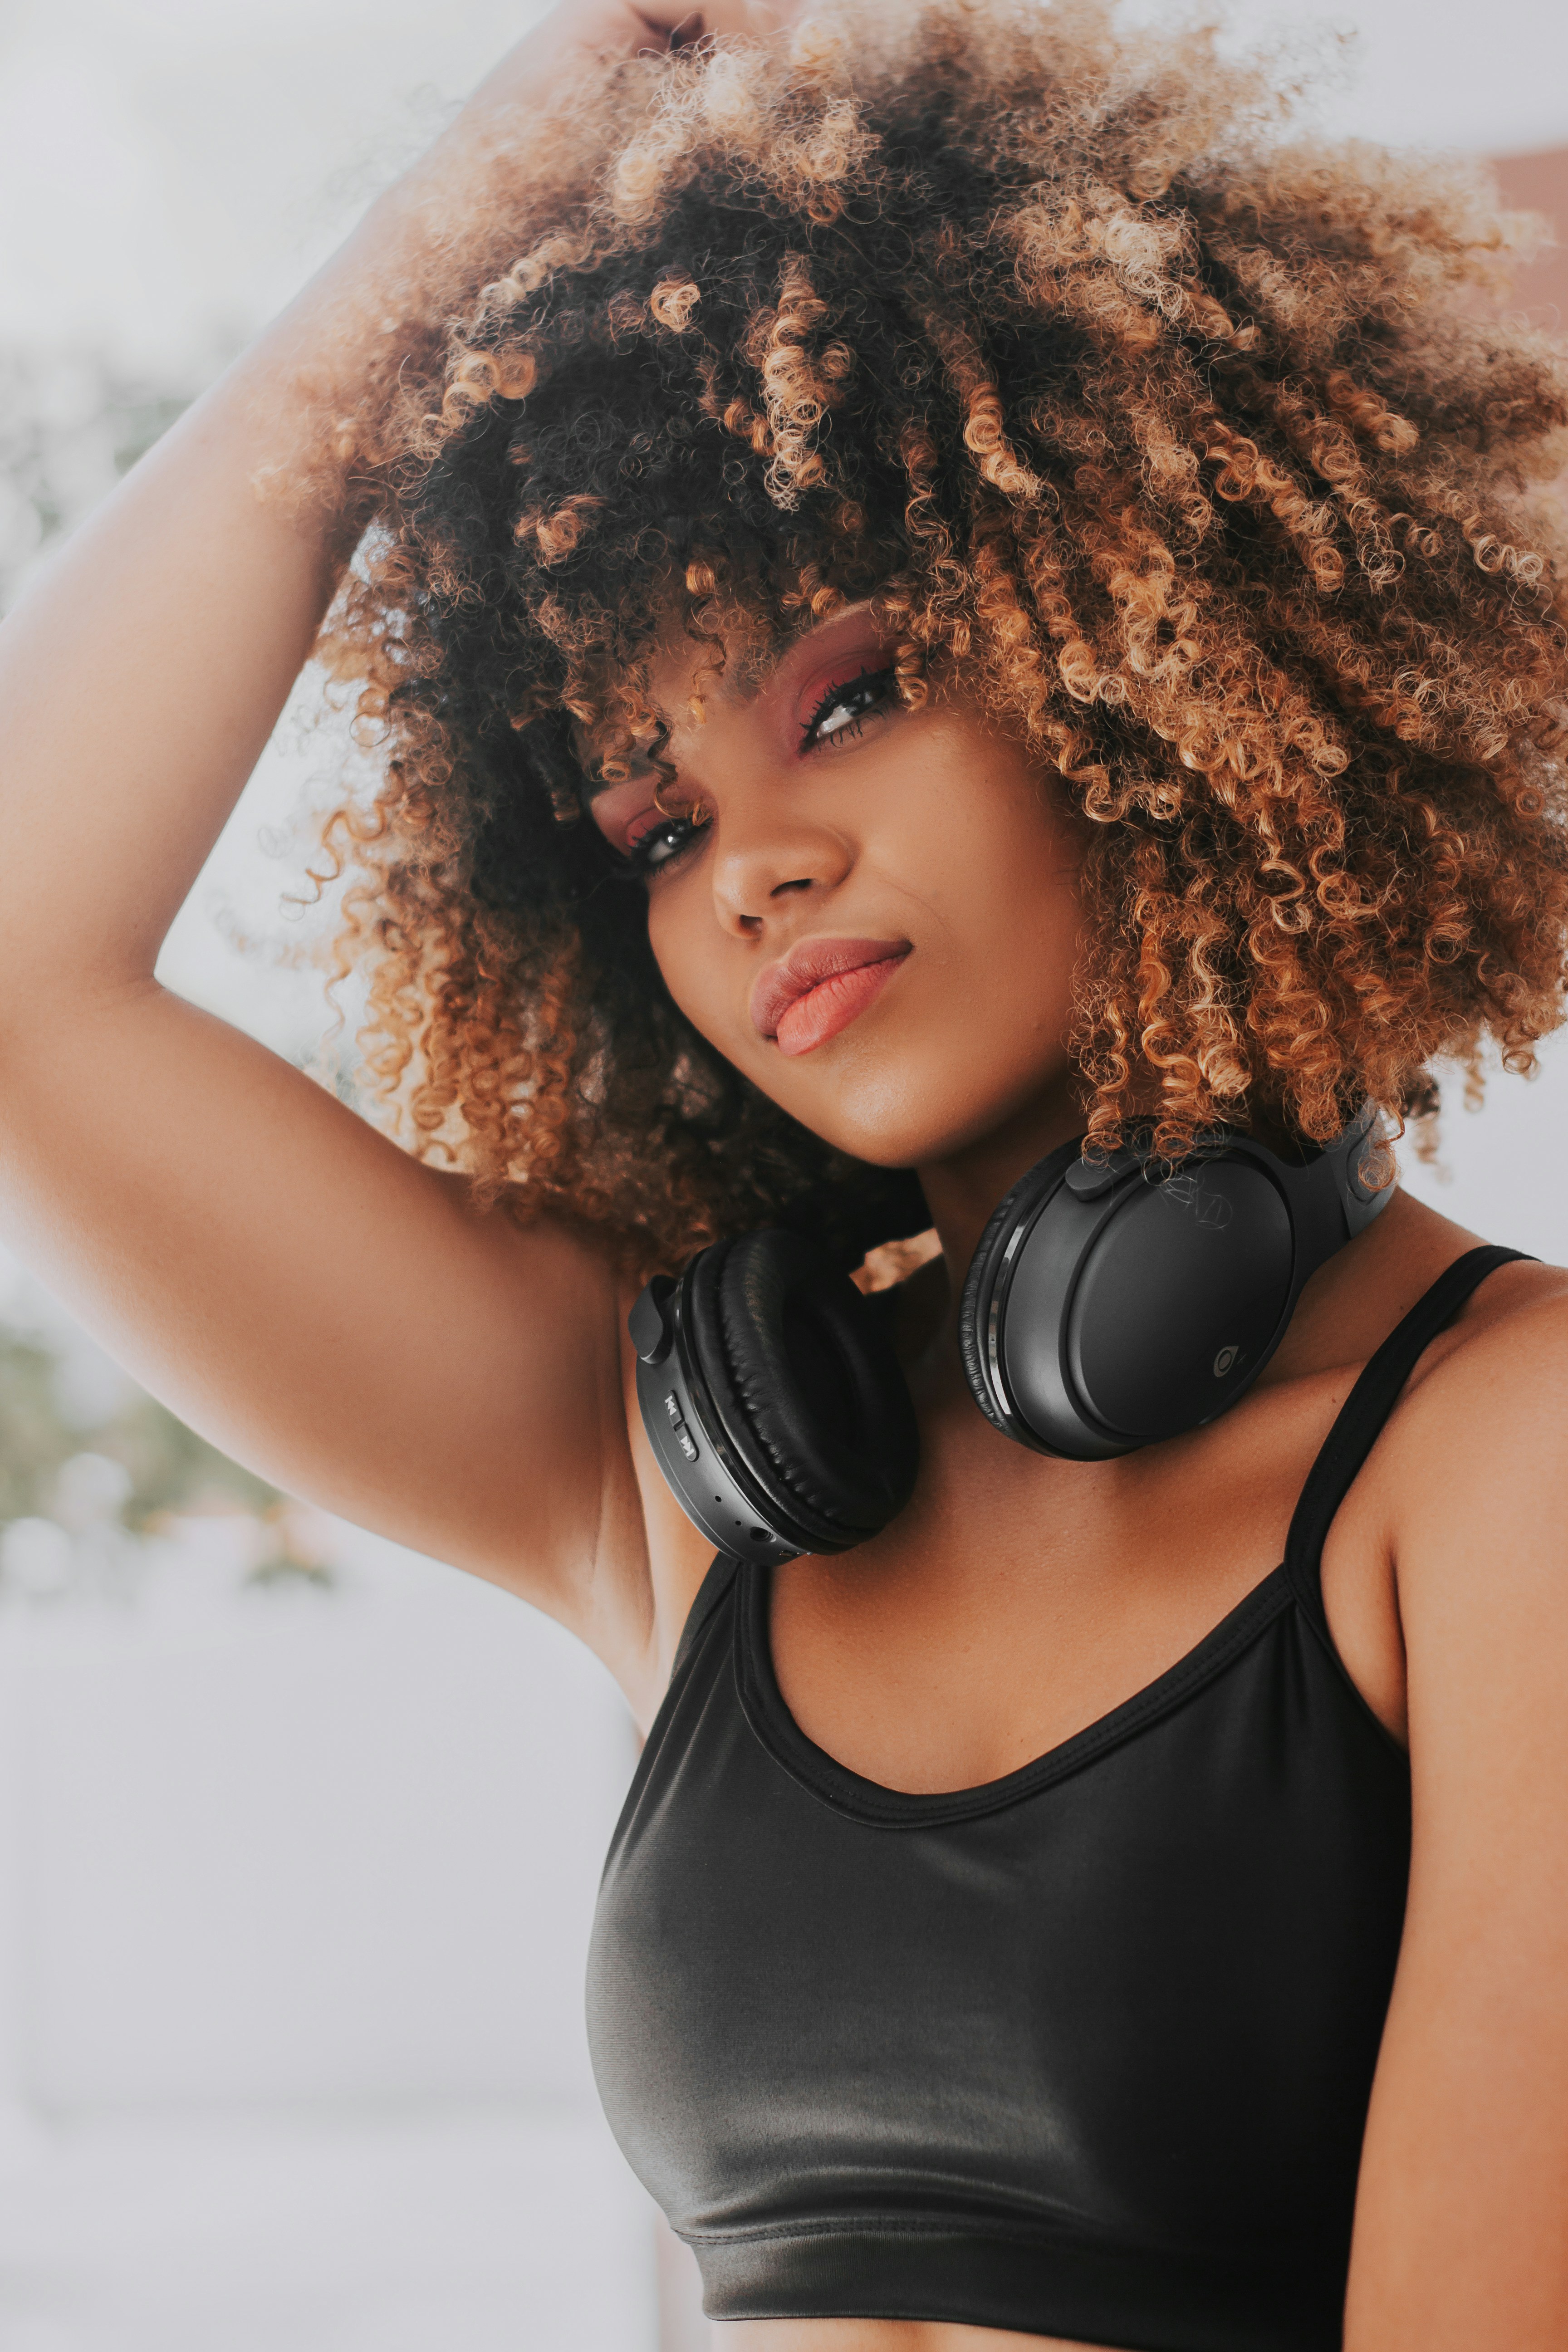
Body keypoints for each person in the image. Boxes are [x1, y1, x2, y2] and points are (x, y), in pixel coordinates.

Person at [1, 1, 1566, 2344]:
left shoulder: (1508, 1453)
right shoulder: (693, 1474)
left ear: (1151, 647)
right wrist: (500, 174)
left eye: (847, 697)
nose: (752, 867)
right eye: (657, 822)